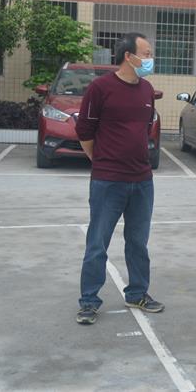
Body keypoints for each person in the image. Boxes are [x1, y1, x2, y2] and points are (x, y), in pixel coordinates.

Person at [74, 32, 164, 325]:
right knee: (97, 243)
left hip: (142, 180)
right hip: (108, 181)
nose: (150, 59)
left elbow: (145, 129)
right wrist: (101, 160)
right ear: (128, 56)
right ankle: (89, 301)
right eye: (146, 54)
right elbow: (85, 131)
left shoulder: (146, 89)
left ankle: (137, 293)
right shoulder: (100, 88)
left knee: (138, 242)